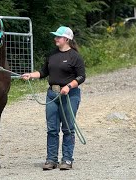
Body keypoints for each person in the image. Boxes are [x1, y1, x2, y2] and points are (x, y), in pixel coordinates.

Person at [21, 26, 86, 170]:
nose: (55, 39)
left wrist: (69, 86)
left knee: (68, 128)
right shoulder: (52, 55)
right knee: (52, 129)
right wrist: (31, 75)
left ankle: (67, 159)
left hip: (70, 96)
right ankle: (51, 159)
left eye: (58, 36)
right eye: (55, 36)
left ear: (67, 39)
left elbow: (82, 76)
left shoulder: (74, 56)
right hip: (52, 94)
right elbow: (44, 72)